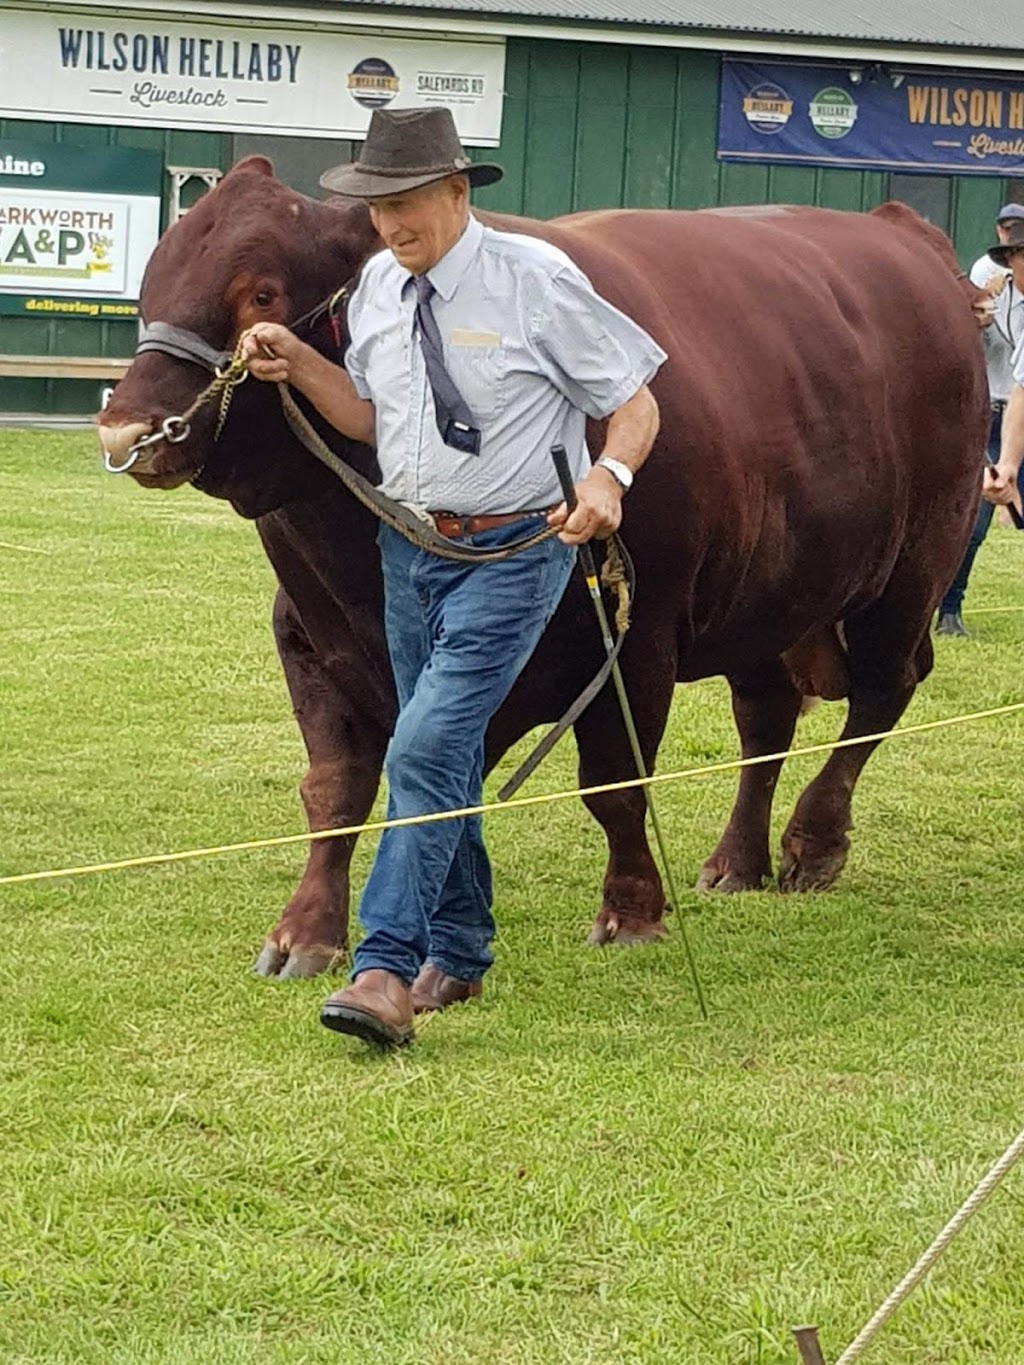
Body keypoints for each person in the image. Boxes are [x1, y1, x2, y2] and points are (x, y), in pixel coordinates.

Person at [240, 108, 667, 1048]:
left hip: (515, 552)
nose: (391, 223)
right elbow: (369, 423)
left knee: (424, 746)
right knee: (445, 752)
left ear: (457, 192)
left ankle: (385, 966)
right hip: (409, 548)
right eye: (376, 205)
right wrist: (300, 358)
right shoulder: (377, 293)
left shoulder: (538, 280)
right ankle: (463, 948)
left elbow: (633, 403)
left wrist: (609, 475)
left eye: (406, 202)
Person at [936, 205, 1024, 636]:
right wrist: (975, 319)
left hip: (1017, 413)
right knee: (973, 525)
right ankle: (949, 610)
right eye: (1014, 244)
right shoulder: (986, 291)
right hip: (989, 413)